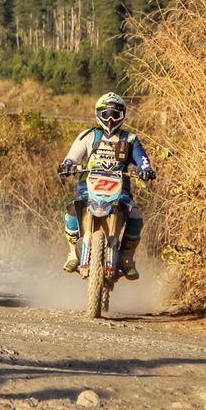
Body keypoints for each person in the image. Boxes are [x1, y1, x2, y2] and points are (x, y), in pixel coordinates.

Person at [58, 91, 155, 280]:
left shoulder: (130, 139)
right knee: (71, 210)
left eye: (115, 115)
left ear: (123, 115)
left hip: (120, 191)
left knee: (136, 216)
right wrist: (67, 165)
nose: (110, 119)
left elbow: (142, 159)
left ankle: (127, 258)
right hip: (88, 187)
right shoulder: (88, 136)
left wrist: (146, 169)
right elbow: (72, 155)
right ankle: (72, 252)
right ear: (98, 115)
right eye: (106, 114)